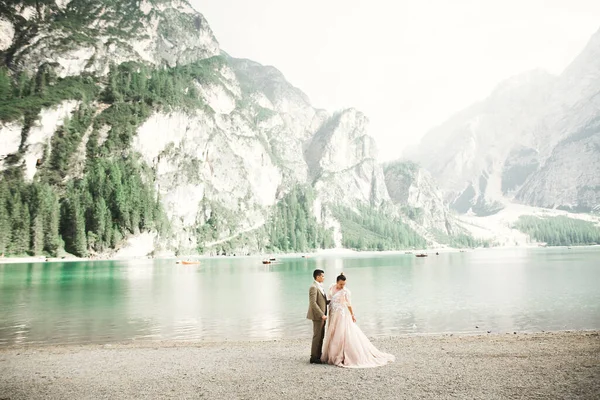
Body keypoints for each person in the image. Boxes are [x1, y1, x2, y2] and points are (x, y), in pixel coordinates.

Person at [321, 272, 395, 368]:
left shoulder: (346, 292)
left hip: (341, 314)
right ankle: (330, 354)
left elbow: (349, 304)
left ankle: (340, 354)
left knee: (340, 332)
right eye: (340, 284)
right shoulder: (332, 287)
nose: (342, 286)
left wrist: (352, 315)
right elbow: (329, 299)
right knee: (333, 331)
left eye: (344, 284)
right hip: (333, 313)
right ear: (336, 282)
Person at [306, 269, 328, 364]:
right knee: (317, 336)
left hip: (322, 315)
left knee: (321, 336)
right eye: (322, 276)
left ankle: (318, 355)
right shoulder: (313, 287)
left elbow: (322, 300)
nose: (324, 277)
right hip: (317, 316)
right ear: (317, 276)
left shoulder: (320, 286)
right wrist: (321, 314)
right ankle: (313, 357)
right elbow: (313, 303)